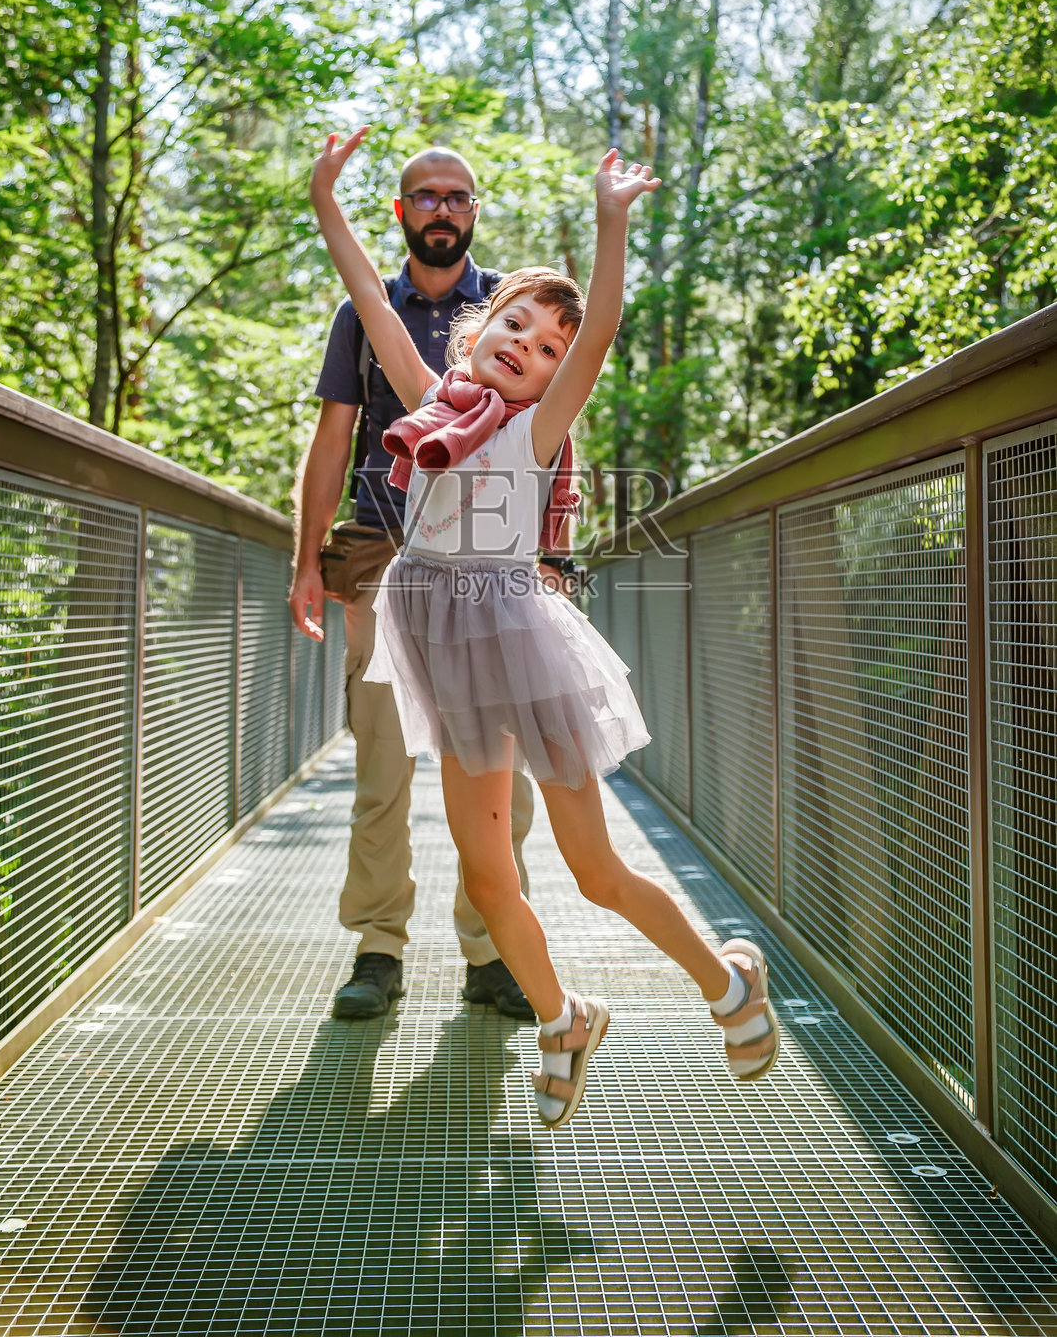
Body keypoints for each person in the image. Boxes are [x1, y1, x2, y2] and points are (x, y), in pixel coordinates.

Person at [309, 127, 781, 1130]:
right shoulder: (433, 400)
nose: (528, 344)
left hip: (518, 645)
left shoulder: (533, 428)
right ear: (478, 328)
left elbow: (600, 327)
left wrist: (609, 222)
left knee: (593, 869)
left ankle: (725, 980)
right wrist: (325, 198)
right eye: (515, 324)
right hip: (442, 645)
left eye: (547, 347)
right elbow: (364, 295)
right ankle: (564, 1017)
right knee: (486, 872)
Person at [291, 144, 555, 1023]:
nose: (442, 210)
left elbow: (557, 441)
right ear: (401, 211)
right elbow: (334, 441)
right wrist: (305, 559)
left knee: (499, 775)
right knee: (381, 756)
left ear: (473, 212)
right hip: (380, 550)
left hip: (488, 569)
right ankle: (378, 947)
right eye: (425, 197)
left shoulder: (508, 312)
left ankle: (491, 952)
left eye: (458, 197)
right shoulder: (362, 315)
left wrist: (549, 559)